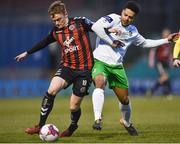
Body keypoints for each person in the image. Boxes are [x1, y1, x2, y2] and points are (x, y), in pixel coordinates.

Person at [91, 1, 178, 136]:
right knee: (100, 82)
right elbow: (96, 27)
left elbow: (145, 42)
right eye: (126, 15)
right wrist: (111, 41)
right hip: (100, 61)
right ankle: (97, 119)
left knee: (125, 100)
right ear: (122, 12)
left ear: (134, 18)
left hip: (117, 66)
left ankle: (126, 122)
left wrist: (166, 40)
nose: (127, 18)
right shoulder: (112, 19)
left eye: (130, 17)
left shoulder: (132, 31)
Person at [15, 0, 94, 137]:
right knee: (51, 90)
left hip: (84, 71)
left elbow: (98, 27)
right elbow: (43, 42)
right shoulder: (56, 31)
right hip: (67, 67)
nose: (57, 23)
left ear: (66, 14)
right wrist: (27, 53)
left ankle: (72, 127)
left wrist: (111, 33)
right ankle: (39, 126)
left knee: (73, 106)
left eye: (59, 19)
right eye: (54, 21)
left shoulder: (80, 23)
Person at [148, 28, 172, 96]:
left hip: (165, 63)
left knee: (164, 78)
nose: (167, 35)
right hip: (160, 62)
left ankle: (163, 92)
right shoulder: (160, 42)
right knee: (165, 77)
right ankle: (152, 91)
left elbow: (169, 53)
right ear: (163, 34)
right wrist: (151, 61)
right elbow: (153, 51)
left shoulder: (168, 43)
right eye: (166, 33)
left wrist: (170, 61)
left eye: (168, 33)